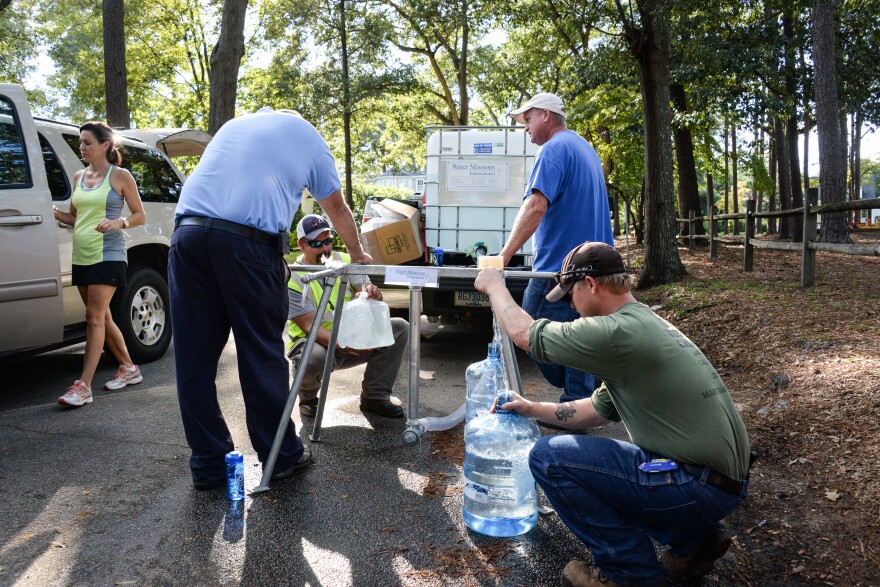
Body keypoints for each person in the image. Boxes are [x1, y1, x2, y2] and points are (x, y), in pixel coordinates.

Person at [474, 242, 751, 587]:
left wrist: (494, 285)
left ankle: (627, 572)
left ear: (590, 284)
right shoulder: (643, 323)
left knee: (550, 458)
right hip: (718, 484)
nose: (571, 305)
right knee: (602, 466)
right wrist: (531, 408)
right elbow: (596, 410)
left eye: (571, 294)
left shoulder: (617, 332)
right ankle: (693, 542)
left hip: (696, 486)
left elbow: (524, 335)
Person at [169, 107, 372, 490]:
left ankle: (209, 466)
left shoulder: (234, 127)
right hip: (246, 244)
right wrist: (358, 255)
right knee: (259, 352)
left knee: (194, 360)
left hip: (187, 237)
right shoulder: (307, 135)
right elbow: (336, 208)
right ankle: (280, 457)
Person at [500, 92, 614, 404]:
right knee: (580, 335)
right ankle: (581, 397)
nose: (525, 128)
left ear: (546, 115)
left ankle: (578, 398)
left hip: (560, 270)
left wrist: (503, 257)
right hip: (596, 268)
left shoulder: (553, 149)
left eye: (528, 119)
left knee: (528, 329)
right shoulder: (585, 148)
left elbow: (535, 206)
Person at [53, 122, 146, 407]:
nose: (81, 147)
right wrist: (51, 212)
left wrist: (119, 222)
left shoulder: (120, 176)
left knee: (93, 318)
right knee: (102, 317)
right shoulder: (79, 176)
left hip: (109, 254)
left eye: (87, 142)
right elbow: (74, 218)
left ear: (105, 145)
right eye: (80, 142)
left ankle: (83, 386)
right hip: (82, 255)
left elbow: (139, 215)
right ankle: (129, 368)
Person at [286, 214, 408, 419]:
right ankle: (308, 399)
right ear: (301, 245)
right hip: (317, 343)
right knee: (312, 357)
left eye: (328, 241)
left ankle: (374, 397)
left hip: (350, 337)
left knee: (399, 328)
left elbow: (364, 288)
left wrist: (372, 294)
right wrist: (343, 344)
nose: (325, 248)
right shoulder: (295, 278)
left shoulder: (344, 261)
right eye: (316, 243)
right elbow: (309, 326)